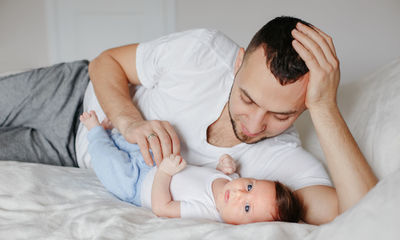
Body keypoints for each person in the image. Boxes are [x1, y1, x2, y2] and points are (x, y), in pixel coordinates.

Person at [0, 16, 378, 225]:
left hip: (74, 154)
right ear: (237, 63)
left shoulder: (282, 161)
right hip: (72, 92)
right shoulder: (204, 51)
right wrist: (130, 122)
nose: (255, 124)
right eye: (247, 97)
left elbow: (363, 213)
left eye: (282, 114)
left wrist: (326, 106)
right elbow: (105, 63)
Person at [80, 110, 303, 224]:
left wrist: (165, 173)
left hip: (136, 184)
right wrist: (224, 164)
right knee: (136, 144)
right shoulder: (230, 180)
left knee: (108, 164)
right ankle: (111, 134)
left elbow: (162, 207)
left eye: (246, 208)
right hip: (155, 162)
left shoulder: (207, 211)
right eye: (250, 187)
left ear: (240, 226)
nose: (238, 193)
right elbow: (211, 174)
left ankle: (96, 133)